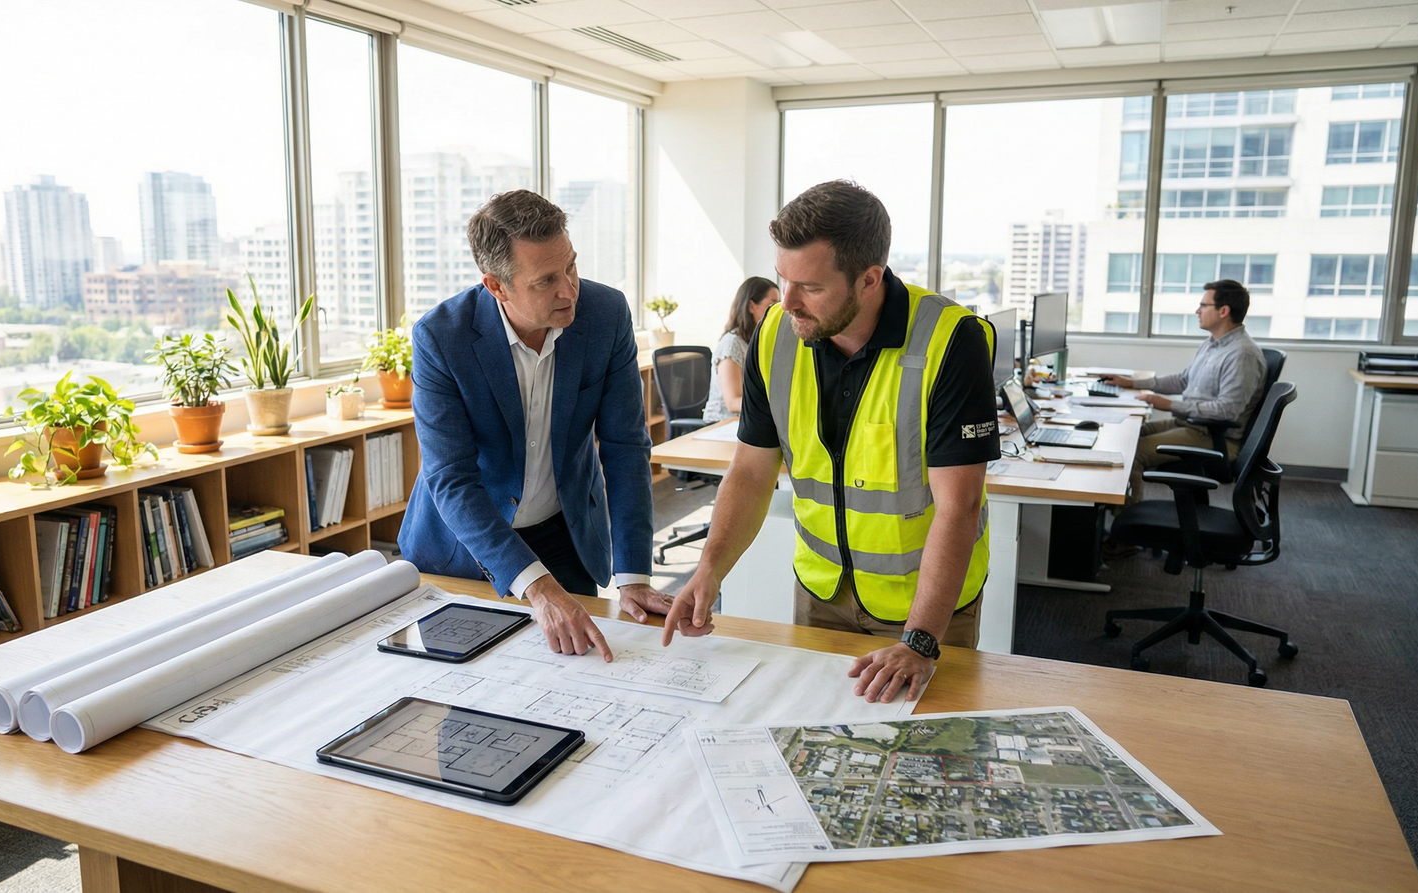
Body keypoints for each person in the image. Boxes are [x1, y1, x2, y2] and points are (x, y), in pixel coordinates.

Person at [662, 180, 1000, 705]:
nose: (787, 301)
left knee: (924, 758)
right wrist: (709, 569)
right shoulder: (776, 334)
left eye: (811, 287)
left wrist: (919, 640)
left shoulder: (952, 340)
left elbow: (959, 506)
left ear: (870, 279)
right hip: (822, 593)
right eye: (783, 279)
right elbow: (751, 471)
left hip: (925, 608)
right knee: (813, 737)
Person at [400, 190, 672, 660]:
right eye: (546, 280)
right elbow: (451, 479)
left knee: (581, 682)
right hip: (465, 549)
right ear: (496, 286)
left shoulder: (606, 315)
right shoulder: (441, 338)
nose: (569, 289)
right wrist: (537, 589)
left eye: (571, 266)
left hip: (564, 535)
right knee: (464, 700)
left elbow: (626, 448)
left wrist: (633, 577)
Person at [1098, 279, 1267, 518]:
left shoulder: (1242, 355)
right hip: (1189, 425)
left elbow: (1228, 411)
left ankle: (1125, 532)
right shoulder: (1214, 345)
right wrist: (1132, 383)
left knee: (1131, 455)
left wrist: (1168, 404)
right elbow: (1182, 380)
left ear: (1223, 311)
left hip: (1213, 436)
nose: (1197, 311)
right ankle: (1103, 514)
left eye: (1203, 305)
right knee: (1123, 436)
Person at [702, 277, 780, 423]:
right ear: (752, 306)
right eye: (772, 305)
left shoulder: (759, 340)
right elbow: (733, 402)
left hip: (750, 421)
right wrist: (777, 405)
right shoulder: (732, 343)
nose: (778, 311)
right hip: (722, 423)